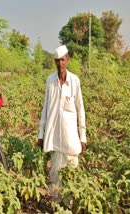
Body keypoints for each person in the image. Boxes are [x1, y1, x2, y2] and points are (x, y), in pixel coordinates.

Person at [37, 45, 87, 201]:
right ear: (54, 62)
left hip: (70, 136)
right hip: (55, 135)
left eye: (63, 60)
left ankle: (70, 201)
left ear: (68, 60)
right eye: (58, 61)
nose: (60, 64)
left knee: (71, 168)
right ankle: (57, 203)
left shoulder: (75, 81)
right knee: (55, 172)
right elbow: (45, 108)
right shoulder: (50, 81)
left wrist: (83, 136)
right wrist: (41, 134)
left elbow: (80, 109)